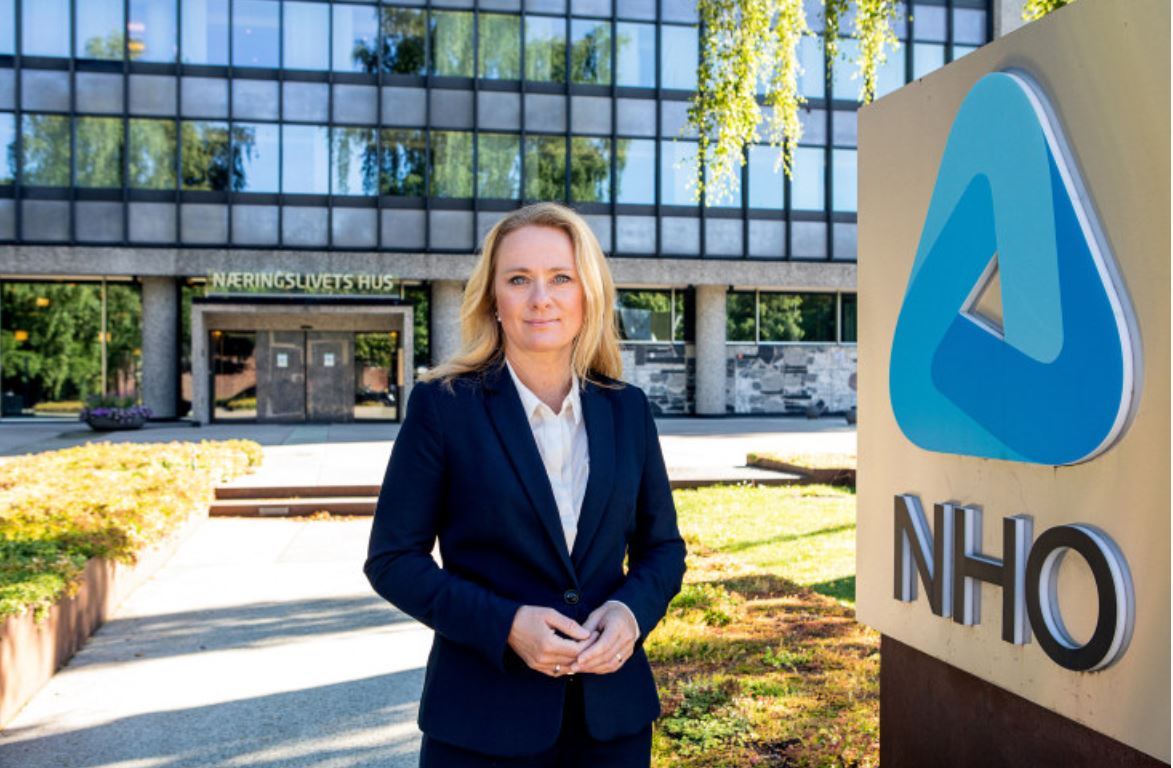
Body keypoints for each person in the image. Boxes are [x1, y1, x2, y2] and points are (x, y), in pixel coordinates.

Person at [363, 201, 687, 767]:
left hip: (612, 725)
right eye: (519, 279)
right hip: (481, 725)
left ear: (588, 293)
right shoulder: (444, 407)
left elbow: (662, 549)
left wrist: (630, 613)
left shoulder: (628, 410)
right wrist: (507, 625)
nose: (541, 298)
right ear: (493, 298)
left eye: (561, 278)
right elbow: (393, 560)